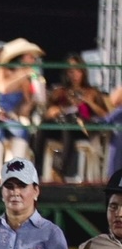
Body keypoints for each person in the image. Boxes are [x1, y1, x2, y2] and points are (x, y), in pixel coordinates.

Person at [41, 54, 111, 182]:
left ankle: (59, 170)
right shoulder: (61, 91)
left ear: (83, 72)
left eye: (78, 70)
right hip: (62, 128)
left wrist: (89, 102)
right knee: (45, 125)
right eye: (71, 71)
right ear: (67, 73)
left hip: (84, 129)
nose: (74, 75)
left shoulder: (92, 91)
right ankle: (36, 171)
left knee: (69, 121)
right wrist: (55, 110)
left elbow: (106, 116)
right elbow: (47, 113)